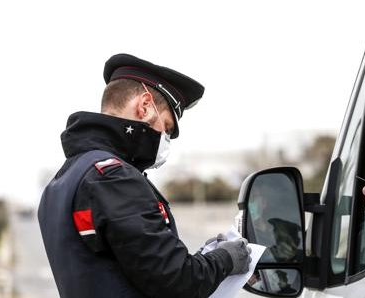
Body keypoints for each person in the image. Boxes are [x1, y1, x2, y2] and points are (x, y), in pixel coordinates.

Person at [37, 53, 251, 298]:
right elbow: (176, 283)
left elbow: (133, 269)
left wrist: (206, 256)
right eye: (167, 128)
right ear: (145, 106)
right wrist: (226, 259)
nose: (165, 139)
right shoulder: (114, 178)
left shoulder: (64, 180)